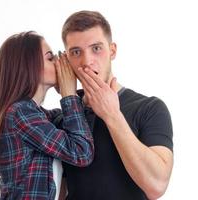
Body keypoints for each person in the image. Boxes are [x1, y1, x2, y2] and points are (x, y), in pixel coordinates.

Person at [60, 11, 174, 200]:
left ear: (112, 51)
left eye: (96, 48)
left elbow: (157, 185)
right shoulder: (65, 116)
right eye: (76, 52)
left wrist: (111, 114)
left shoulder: (149, 108)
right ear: (67, 59)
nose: (87, 61)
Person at [0, 31, 94, 200]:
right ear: (30, 66)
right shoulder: (20, 113)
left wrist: (73, 96)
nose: (59, 62)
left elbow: (74, 121)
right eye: (50, 58)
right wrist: (68, 95)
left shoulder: (38, 115)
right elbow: (81, 152)